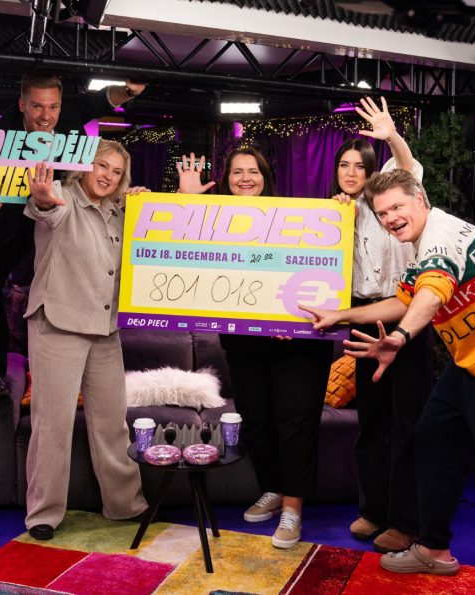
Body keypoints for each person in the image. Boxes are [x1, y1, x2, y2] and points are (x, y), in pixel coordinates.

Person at [303, 169, 475, 576]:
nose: (390, 218)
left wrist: (401, 336)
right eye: (383, 213)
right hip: (469, 361)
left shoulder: (440, 236)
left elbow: (431, 293)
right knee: (433, 440)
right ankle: (433, 549)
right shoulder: (420, 244)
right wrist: (341, 315)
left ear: (420, 200)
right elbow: (403, 300)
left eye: (397, 207)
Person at [178, 147, 333, 549]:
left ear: (266, 177)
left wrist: (291, 321)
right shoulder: (214, 222)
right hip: (244, 341)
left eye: (253, 171)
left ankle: (293, 509)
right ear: (226, 180)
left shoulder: (295, 218)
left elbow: (321, 269)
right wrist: (186, 201)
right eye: (237, 172)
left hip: (296, 344)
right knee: (257, 422)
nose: (245, 178)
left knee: (294, 424)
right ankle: (274, 489)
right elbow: (180, 248)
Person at [0, 70, 146, 395]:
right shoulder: (0, 131)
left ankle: (70, 366)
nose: (46, 115)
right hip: (7, 216)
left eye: (53, 107)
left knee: (68, 279)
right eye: (37, 106)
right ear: (22, 105)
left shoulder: (70, 113)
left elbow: (103, 99)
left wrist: (129, 90)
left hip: (59, 214)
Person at [21, 140, 148, 540]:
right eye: (102, 166)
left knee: (112, 423)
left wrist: (150, 205)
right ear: (84, 166)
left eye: (116, 171)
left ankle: (125, 505)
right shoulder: (62, 195)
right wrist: (42, 198)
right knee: (52, 424)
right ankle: (43, 514)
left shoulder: (119, 211)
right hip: (58, 323)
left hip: (105, 329)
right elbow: (45, 208)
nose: (108, 175)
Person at [328, 97, 434, 553]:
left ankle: (407, 521)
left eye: (360, 165)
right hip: (363, 315)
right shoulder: (335, 213)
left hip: (408, 314)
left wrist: (391, 136)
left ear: (373, 169)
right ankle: (373, 510)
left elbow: (408, 170)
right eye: (344, 165)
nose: (351, 172)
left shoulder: (390, 203)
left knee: (408, 420)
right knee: (370, 421)